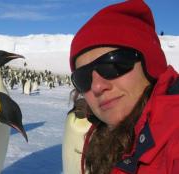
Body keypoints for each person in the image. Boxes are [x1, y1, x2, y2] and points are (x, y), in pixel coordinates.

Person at [68, 0, 179, 174]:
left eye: (113, 64)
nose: (97, 87)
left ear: (150, 65)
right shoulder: (105, 137)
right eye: (83, 78)